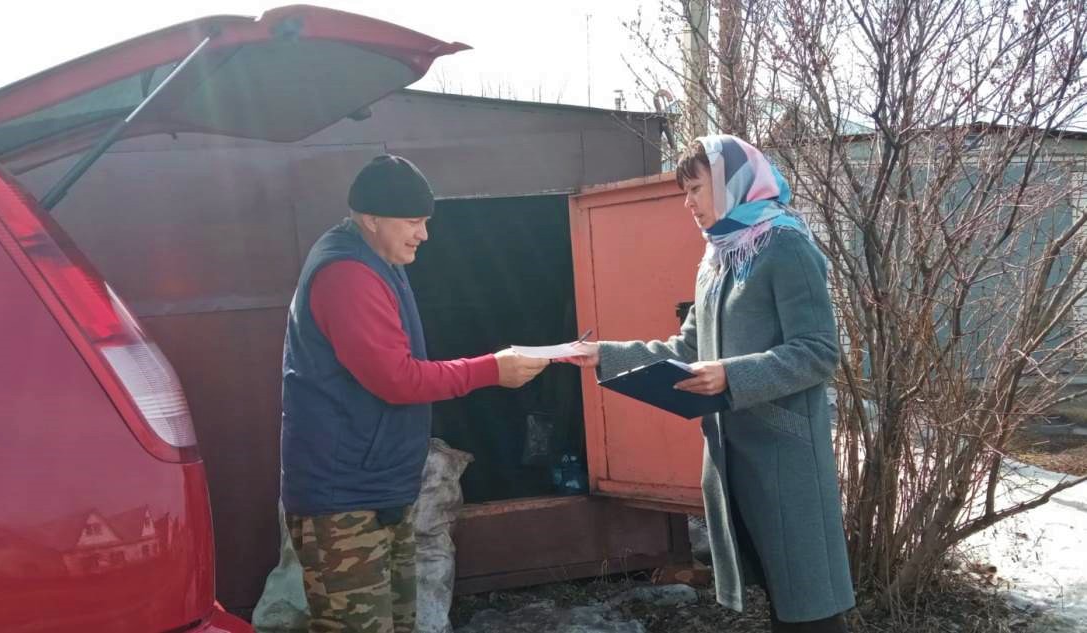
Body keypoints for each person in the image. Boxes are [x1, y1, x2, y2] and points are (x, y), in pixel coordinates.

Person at [565, 135, 854, 632]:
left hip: (785, 459)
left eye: (697, 188)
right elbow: (686, 350)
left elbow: (819, 352)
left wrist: (732, 374)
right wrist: (601, 354)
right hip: (731, 458)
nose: (688, 203)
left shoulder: (784, 245)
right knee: (779, 601)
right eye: (686, 191)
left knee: (811, 610)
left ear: (732, 183)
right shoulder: (718, 257)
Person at [280, 154, 549, 633]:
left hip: (379, 488)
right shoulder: (346, 275)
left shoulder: (379, 258)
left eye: (424, 221)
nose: (423, 234)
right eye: (413, 222)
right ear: (370, 219)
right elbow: (396, 379)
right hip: (346, 502)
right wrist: (491, 370)